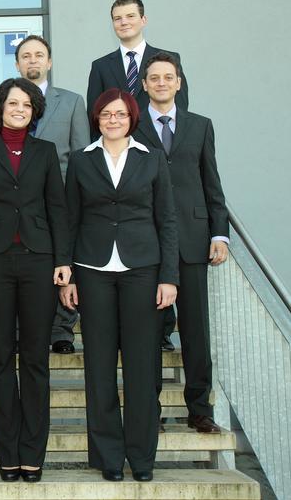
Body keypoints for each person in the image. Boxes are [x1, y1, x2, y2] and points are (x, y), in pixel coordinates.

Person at [60, 88, 179, 483]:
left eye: (120, 114)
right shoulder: (82, 160)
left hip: (142, 269)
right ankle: (108, 457)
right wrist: (68, 274)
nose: (113, 120)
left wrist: (169, 278)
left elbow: (167, 220)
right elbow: (71, 219)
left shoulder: (152, 158)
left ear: (132, 118)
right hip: (92, 269)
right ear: (97, 119)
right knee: (99, 365)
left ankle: (142, 458)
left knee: (142, 367)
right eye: (106, 114)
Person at [0, 78, 71, 482]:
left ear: (34, 110)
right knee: (1, 359)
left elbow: (57, 207)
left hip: (40, 262)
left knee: (36, 360)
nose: (20, 109)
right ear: (0, 108)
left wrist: (63, 260)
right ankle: (7, 455)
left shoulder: (46, 152)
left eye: (26, 104)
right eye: (13, 103)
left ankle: (33, 455)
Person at [133, 52, 229, 434]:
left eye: (168, 77)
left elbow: (211, 183)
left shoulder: (200, 126)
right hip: (147, 241)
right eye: (154, 78)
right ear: (144, 85)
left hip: (192, 240)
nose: (161, 83)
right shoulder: (131, 125)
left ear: (178, 83)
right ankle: (149, 409)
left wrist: (219, 233)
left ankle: (199, 409)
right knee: (148, 332)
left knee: (195, 331)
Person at [0, 34, 89, 355]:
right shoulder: (0, 102)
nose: (33, 60)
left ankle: (62, 330)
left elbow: (81, 153)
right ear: (17, 64)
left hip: (59, 197)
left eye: (39, 55)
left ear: (50, 61)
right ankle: (19, 331)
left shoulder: (72, 102)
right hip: (15, 202)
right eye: (26, 56)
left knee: (62, 260)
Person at [86, 0, 189, 140]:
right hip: (118, 145)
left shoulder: (169, 59)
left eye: (130, 16)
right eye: (117, 18)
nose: (124, 22)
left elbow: (180, 107)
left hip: (158, 143)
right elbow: (94, 114)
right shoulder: (100, 66)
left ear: (143, 20)